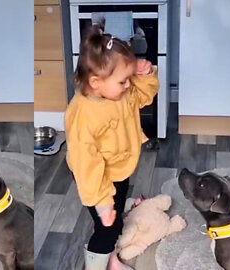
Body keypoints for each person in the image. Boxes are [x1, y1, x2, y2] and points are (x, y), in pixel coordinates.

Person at [64, 26, 159, 270]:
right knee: (109, 226)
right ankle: (97, 265)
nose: (128, 85)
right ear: (95, 82)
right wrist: (103, 204)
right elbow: (87, 166)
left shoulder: (118, 93)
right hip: (95, 177)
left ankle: (112, 258)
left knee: (116, 209)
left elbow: (144, 97)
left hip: (119, 169)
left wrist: (144, 76)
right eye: (123, 81)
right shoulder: (84, 115)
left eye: (128, 79)